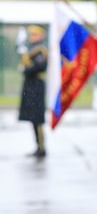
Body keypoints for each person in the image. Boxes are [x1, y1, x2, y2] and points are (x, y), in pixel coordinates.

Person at [18, 25, 48, 158]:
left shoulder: (40, 50)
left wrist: (25, 69)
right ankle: (37, 146)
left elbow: (40, 67)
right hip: (30, 85)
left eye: (35, 35)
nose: (32, 37)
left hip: (37, 85)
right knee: (32, 117)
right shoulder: (31, 49)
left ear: (41, 36)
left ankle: (41, 147)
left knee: (37, 117)